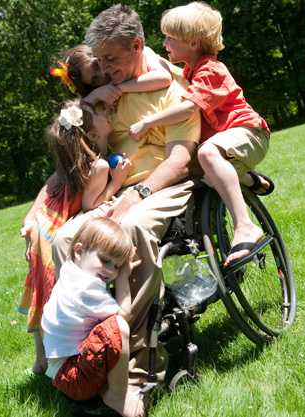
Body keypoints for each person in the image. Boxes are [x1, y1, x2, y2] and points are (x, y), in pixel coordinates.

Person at [52, 4, 201, 414]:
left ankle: (136, 370)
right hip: (118, 189)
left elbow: (180, 159)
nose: (104, 69)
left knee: (131, 230)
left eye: (112, 60)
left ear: (138, 46)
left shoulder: (172, 87)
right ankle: (84, 356)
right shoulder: (110, 95)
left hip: (162, 185)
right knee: (65, 238)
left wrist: (141, 193)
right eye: (99, 61)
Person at [128, 1, 274, 266]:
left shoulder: (211, 71)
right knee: (201, 172)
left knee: (207, 152)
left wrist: (148, 123)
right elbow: (160, 65)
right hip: (230, 141)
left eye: (171, 38)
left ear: (193, 43)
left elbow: (187, 109)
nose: (165, 43)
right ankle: (250, 181)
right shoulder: (190, 70)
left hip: (249, 132)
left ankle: (245, 226)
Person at [18, 99, 131, 374]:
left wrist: (31, 218)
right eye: (100, 112)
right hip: (55, 230)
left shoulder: (71, 163)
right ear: (92, 135)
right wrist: (117, 182)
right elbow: (91, 205)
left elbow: (47, 187)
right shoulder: (99, 166)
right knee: (52, 290)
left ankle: (40, 358)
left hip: (43, 226)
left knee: (41, 291)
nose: (107, 111)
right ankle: (56, 356)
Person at [41, 217, 143, 417]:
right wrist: (123, 278)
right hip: (74, 379)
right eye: (105, 260)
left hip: (62, 373)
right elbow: (125, 314)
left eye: (117, 266)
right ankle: (117, 395)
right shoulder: (86, 288)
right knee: (118, 327)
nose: (110, 271)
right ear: (78, 251)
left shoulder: (70, 271)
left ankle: (100, 392)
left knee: (108, 328)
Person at [51, 43, 173, 107]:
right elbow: (78, 113)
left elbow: (164, 77)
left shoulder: (138, 53)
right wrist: (95, 95)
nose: (103, 73)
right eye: (95, 80)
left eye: (96, 65)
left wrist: (120, 88)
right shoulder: (105, 96)